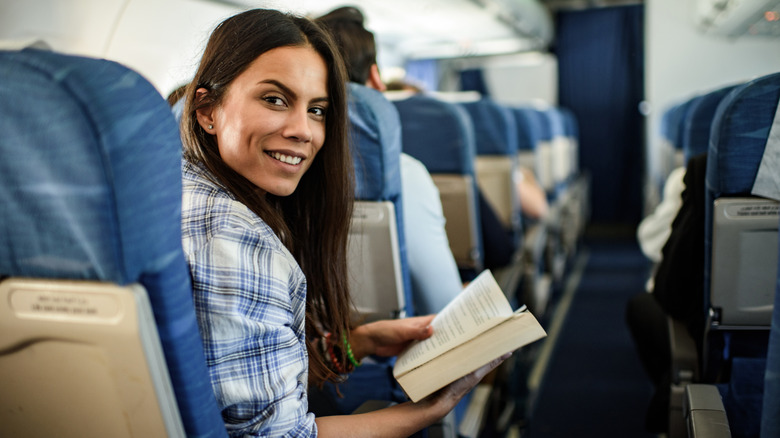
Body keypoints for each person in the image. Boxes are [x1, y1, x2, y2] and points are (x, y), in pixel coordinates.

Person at [178, 9, 506, 437]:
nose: (303, 131)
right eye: (274, 99)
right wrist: (427, 412)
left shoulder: (178, 191)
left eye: (317, 110)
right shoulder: (239, 243)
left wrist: (359, 343)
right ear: (207, 110)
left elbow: (239, 378)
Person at [316, 6, 463, 315]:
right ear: (374, 78)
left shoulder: (279, 168)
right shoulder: (403, 173)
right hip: (390, 352)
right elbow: (444, 304)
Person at [625, 153, 707, 433]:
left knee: (642, 306)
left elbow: (670, 286)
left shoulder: (702, 170)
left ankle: (671, 394)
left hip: (709, 340)